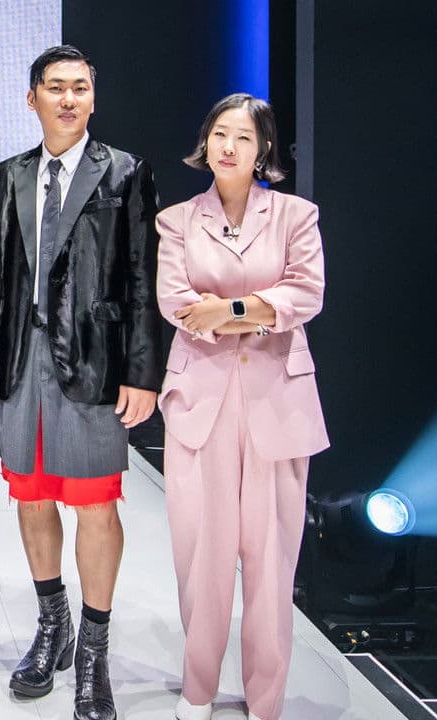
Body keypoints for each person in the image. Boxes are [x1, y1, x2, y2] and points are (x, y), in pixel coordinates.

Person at [0, 45, 164, 720]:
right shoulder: (9, 175)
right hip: (21, 359)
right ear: (32, 99)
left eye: (79, 88)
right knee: (30, 498)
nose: (68, 99)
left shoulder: (125, 171)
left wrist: (142, 370)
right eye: (55, 88)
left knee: (95, 505)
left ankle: (93, 653)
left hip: (94, 362)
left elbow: (143, 276)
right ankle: (52, 625)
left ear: (93, 97)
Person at [156, 93, 328, 720]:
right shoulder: (176, 220)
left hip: (277, 401)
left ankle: (266, 698)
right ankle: (198, 687)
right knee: (200, 555)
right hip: (200, 401)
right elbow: (177, 303)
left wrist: (228, 309)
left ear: (264, 150)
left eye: (244, 137)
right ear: (205, 142)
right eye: (220, 134)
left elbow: (305, 293)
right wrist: (260, 309)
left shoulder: (295, 216)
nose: (229, 147)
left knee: (271, 563)